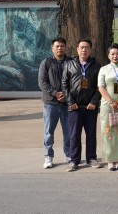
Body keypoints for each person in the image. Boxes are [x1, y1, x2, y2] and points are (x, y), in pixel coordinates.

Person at [62, 39, 102, 171]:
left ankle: (91, 158)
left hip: (90, 107)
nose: (84, 50)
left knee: (91, 134)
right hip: (74, 107)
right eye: (82, 47)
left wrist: (94, 101)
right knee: (74, 135)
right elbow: (64, 85)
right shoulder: (69, 64)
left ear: (90, 49)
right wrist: (70, 102)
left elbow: (100, 86)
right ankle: (74, 160)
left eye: (87, 47)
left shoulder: (96, 65)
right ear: (77, 49)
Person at [38, 37, 73, 169]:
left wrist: (65, 95)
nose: (59, 48)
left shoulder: (71, 62)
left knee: (68, 132)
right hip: (50, 103)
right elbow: (42, 82)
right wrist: (55, 93)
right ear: (52, 48)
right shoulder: (46, 62)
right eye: (57, 46)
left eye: (62, 46)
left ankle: (68, 155)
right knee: (48, 132)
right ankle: (48, 156)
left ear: (65, 48)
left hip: (66, 103)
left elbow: (75, 81)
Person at [98, 43, 118, 170]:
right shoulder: (103, 69)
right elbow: (101, 87)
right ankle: (110, 159)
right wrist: (111, 101)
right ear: (108, 55)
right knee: (108, 132)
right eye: (112, 54)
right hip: (107, 105)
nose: (115, 56)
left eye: (117, 54)